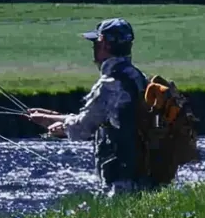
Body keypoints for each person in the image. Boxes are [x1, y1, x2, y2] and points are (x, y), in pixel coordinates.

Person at [28, 18, 150, 195]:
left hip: (121, 180)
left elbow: (82, 129)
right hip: (143, 175)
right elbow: (100, 116)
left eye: (95, 43)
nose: (93, 49)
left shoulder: (109, 84)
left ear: (104, 45)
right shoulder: (138, 77)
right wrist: (49, 118)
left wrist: (60, 127)